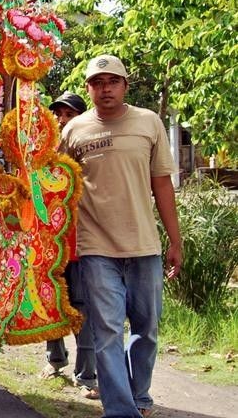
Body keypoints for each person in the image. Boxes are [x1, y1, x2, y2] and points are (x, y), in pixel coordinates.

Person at [61, 55, 182, 418]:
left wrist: (175, 241)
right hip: (96, 247)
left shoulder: (149, 122)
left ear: (125, 85)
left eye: (112, 81)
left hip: (144, 245)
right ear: (89, 89)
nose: (105, 88)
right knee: (107, 331)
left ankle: (140, 398)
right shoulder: (75, 130)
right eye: (97, 83)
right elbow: (58, 186)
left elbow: (161, 183)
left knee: (147, 329)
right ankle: (120, 410)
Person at [40, 92, 99, 399]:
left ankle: (87, 374)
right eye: (59, 115)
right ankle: (55, 361)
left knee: (82, 306)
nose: (63, 120)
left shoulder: (91, 158)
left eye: (69, 114)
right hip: (54, 244)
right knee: (53, 303)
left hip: (85, 244)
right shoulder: (47, 157)